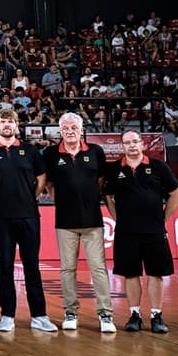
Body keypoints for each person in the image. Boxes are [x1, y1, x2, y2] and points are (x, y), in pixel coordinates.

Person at [0, 109, 56, 333]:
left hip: (29, 216)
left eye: (10, 121)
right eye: (3, 121)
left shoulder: (29, 151)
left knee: (32, 267)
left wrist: (31, 197)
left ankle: (39, 315)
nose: (7, 125)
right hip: (1, 218)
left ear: (17, 125)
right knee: (5, 267)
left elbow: (41, 178)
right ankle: (7, 314)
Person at [104, 130, 178, 334]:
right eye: (127, 143)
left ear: (142, 144)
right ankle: (135, 314)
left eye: (135, 141)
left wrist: (163, 219)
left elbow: (177, 194)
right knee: (131, 274)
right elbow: (108, 197)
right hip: (126, 231)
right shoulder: (114, 169)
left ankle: (156, 315)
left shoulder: (158, 167)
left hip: (154, 230)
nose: (131, 145)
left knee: (155, 274)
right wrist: (117, 218)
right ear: (122, 146)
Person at [44, 112, 115, 333]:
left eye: (74, 127)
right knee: (67, 269)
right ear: (60, 130)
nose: (70, 131)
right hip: (65, 222)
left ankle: (105, 314)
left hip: (92, 220)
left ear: (81, 128)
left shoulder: (95, 151)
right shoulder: (51, 153)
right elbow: (48, 182)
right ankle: (70, 311)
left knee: (98, 268)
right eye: (65, 128)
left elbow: (101, 180)